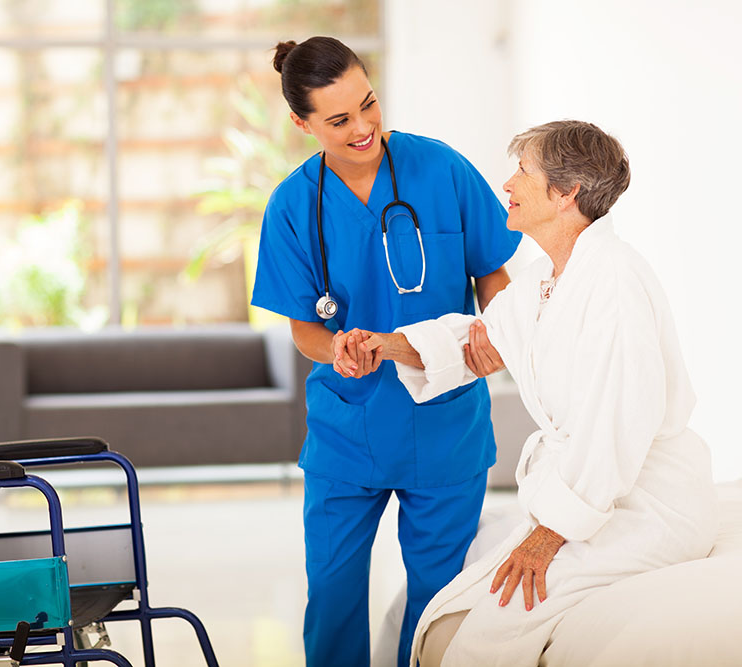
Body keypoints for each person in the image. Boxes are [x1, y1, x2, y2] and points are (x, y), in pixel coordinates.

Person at [360, 120, 718, 666]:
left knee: (500, 617)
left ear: (566, 193)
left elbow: (613, 428)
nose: (507, 183)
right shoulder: (548, 278)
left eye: (523, 171)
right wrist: (386, 345)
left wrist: (548, 537)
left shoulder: (614, 282)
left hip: (644, 500)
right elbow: (475, 339)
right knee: (457, 601)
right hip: (592, 492)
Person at [250, 36, 522, 667]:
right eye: (339, 120)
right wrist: (335, 348)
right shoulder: (294, 206)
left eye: (368, 104)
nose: (364, 127)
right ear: (302, 122)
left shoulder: (442, 169)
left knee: (438, 603)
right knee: (335, 596)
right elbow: (304, 329)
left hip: (445, 422)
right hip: (349, 425)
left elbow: (494, 277)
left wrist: (497, 335)